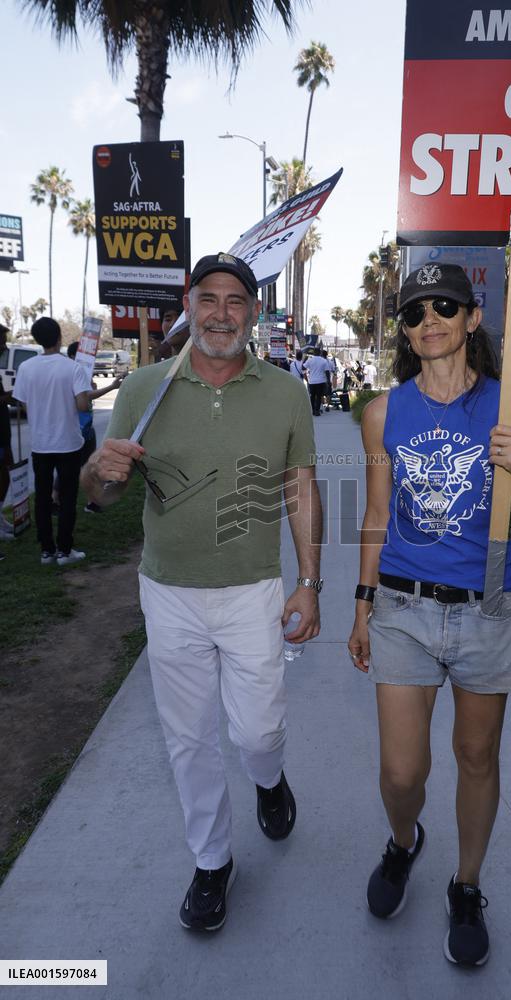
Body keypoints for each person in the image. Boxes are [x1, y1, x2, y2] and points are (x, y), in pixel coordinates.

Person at [81, 252, 323, 934]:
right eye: (208, 298)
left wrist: (309, 582)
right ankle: (213, 862)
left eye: (235, 300)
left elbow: (301, 488)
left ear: (253, 313)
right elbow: (101, 497)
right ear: (189, 306)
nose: (221, 313)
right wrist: (99, 472)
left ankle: (269, 780)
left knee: (258, 730)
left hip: (253, 590)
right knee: (188, 737)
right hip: (169, 592)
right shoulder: (144, 389)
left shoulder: (285, 392)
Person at [347, 263, 511, 968]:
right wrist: (362, 605)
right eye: (414, 312)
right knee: (402, 773)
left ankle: (466, 884)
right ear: (405, 333)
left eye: (444, 306)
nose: (428, 319)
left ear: (472, 318)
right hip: (403, 607)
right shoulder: (383, 413)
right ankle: (404, 842)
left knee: (476, 756)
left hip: (487, 608)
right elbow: (377, 515)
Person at [12, 318, 95, 566]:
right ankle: (65, 550)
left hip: (40, 444)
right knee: (68, 497)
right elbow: (83, 405)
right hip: (68, 443)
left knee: (42, 497)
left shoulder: (26, 368)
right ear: (59, 337)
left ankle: (46, 550)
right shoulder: (73, 368)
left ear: (37, 339)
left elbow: (23, 403)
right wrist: (84, 394)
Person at [64, 341, 123, 513]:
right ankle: (58, 500)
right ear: (73, 356)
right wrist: (111, 386)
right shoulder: (71, 372)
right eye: (85, 356)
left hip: (87, 427)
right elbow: (87, 397)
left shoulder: (81, 372)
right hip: (77, 429)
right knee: (71, 468)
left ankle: (92, 501)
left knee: (90, 465)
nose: (90, 359)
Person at [0, 324, 16, 543]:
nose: (5, 346)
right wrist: (12, 394)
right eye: (2, 341)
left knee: (6, 472)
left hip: (4, 433)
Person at [303, 346, 329, 416]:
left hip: (312, 381)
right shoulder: (324, 360)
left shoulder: (310, 360)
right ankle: (317, 410)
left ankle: (313, 410)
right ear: (320, 353)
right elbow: (327, 372)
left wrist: (305, 359)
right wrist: (328, 381)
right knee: (319, 396)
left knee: (312, 396)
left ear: (313, 353)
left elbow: (303, 367)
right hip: (321, 381)